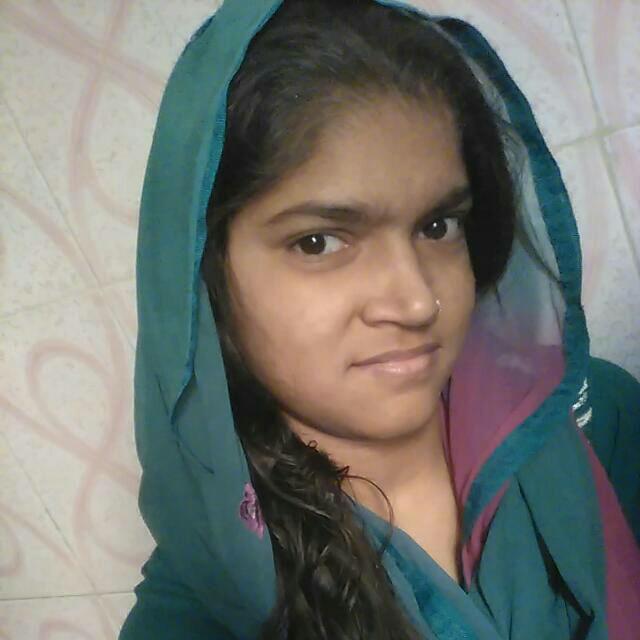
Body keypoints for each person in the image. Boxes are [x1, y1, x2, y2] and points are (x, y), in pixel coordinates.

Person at [120, 0, 640, 638]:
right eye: (319, 242)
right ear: (206, 278)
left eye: (438, 226)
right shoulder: (212, 600)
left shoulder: (595, 415)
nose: (418, 302)